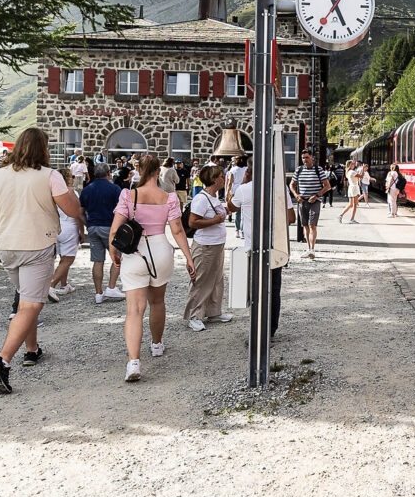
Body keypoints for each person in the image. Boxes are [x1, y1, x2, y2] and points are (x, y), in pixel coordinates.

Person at [0, 127, 85, 395]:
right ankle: (1, 361)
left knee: (27, 299)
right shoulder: (50, 176)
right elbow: (72, 210)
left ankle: (32, 349)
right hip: (37, 245)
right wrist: (69, 188)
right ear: (43, 149)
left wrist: (4, 229)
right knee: (30, 304)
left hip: (7, 246)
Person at [111, 154, 199, 382]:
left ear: (139, 170)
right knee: (157, 301)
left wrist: (114, 252)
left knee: (134, 311)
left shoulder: (128, 195)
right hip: (160, 249)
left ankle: (133, 362)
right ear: (158, 172)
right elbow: (178, 230)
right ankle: (157, 344)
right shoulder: (168, 198)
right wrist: (189, 258)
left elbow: (115, 229)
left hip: (134, 252)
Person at [232, 165, 296, 340]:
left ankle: (257, 328)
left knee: (255, 289)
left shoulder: (243, 189)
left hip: (252, 248)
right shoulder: (280, 188)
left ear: (249, 173)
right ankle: (271, 329)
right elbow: (291, 218)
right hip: (275, 247)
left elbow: (231, 207)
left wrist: (244, 182)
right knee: (274, 289)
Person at [183, 164, 234, 331]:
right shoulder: (201, 199)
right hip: (205, 245)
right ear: (213, 179)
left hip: (216, 244)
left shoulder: (213, 197)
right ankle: (194, 315)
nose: (223, 178)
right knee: (201, 280)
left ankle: (213, 311)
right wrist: (216, 220)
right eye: (220, 176)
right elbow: (193, 222)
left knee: (216, 279)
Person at [80, 162, 126, 303]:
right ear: (108, 173)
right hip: (110, 226)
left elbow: (80, 212)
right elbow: (122, 209)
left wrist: (88, 225)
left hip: (93, 227)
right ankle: (111, 287)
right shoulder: (114, 189)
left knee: (97, 260)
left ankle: (98, 293)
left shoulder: (87, 189)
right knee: (116, 257)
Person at [290, 151, 329, 260]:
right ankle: (308, 248)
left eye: (307, 157)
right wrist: (296, 195)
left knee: (312, 225)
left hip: (314, 201)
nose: (305, 160)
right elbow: (292, 184)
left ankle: (312, 249)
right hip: (302, 201)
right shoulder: (299, 170)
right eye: (303, 158)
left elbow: (327, 186)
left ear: (312, 157)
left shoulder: (318, 170)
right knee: (305, 225)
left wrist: (316, 196)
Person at [341, 158, 367, 223]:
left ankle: (341, 215)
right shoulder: (352, 172)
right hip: (354, 188)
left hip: (351, 187)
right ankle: (352, 219)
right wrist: (363, 169)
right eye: (352, 164)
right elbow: (361, 176)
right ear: (350, 165)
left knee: (350, 204)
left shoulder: (348, 172)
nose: (354, 165)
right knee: (355, 204)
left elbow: (359, 176)